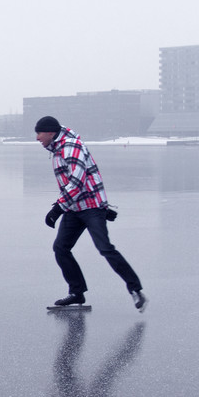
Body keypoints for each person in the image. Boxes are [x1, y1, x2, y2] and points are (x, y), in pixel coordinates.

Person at [35, 116, 146, 311]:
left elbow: (77, 181)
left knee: (105, 248)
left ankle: (135, 289)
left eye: (39, 133)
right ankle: (76, 292)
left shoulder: (71, 147)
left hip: (90, 207)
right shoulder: (58, 148)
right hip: (75, 207)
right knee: (61, 248)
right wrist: (64, 207)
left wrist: (57, 208)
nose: (37, 138)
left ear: (51, 133)